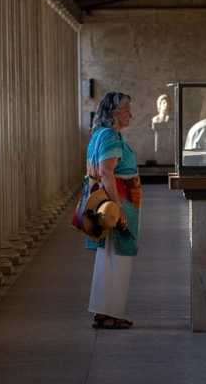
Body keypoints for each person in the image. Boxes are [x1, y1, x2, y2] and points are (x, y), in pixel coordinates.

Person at [85, 91, 142, 329]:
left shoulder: (103, 133)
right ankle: (110, 313)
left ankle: (104, 311)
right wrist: (119, 208)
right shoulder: (109, 135)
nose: (130, 114)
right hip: (115, 204)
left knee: (108, 257)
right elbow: (106, 172)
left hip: (113, 202)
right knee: (117, 258)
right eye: (126, 110)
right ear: (114, 113)